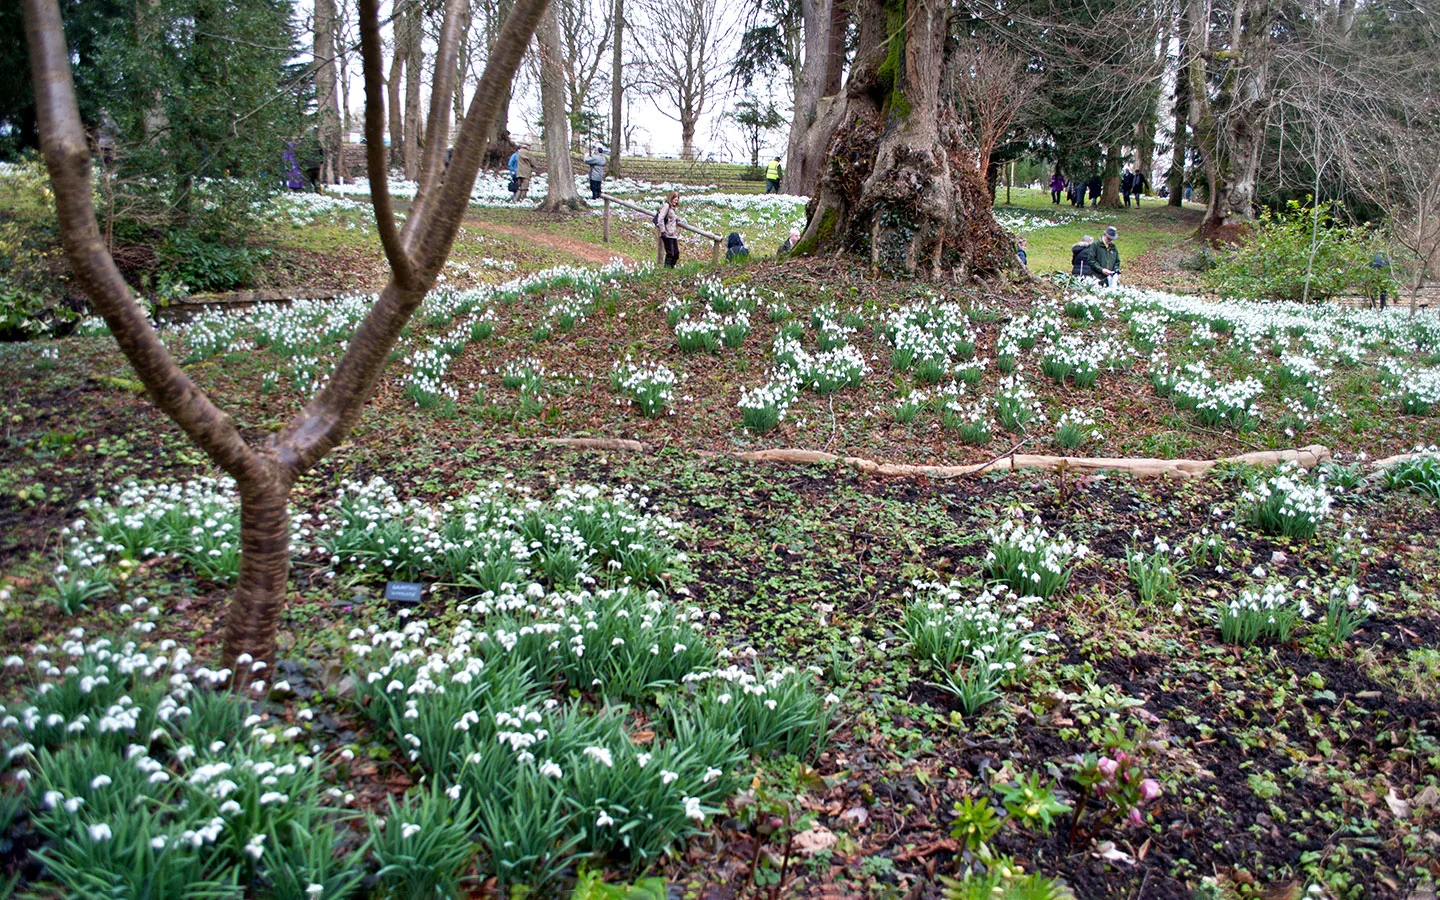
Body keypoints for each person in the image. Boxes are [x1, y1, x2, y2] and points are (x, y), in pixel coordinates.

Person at [656, 191, 681, 268]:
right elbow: (660, 218)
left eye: (677, 200)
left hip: (672, 234)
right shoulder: (666, 206)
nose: (676, 201)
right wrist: (662, 231)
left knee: (676, 254)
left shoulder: (672, 208)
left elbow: (671, 217)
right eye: (675, 199)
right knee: (670, 253)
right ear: (671, 198)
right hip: (666, 233)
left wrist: (677, 218)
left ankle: (670, 269)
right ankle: (666, 270)